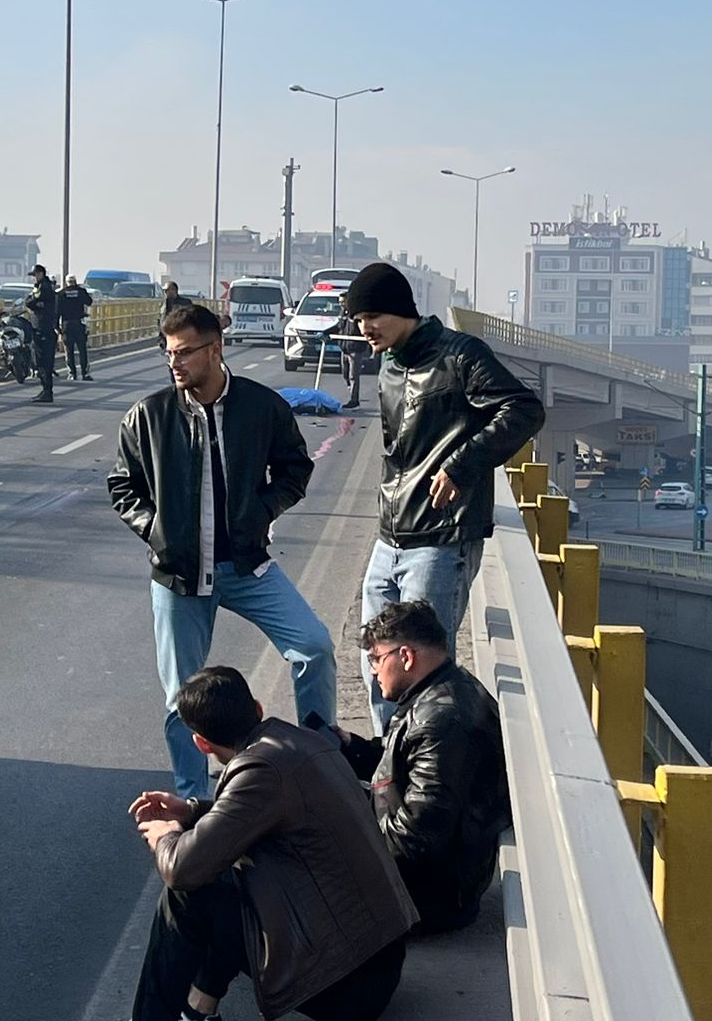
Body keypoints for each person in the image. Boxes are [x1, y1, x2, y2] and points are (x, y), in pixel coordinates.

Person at [108, 304, 338, 801]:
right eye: (170, 353)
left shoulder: (261, 406)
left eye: (185, 352)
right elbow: (123, 486)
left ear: (215, 349)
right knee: (182, 698)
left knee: (314, 647)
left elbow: (295, 470)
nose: (175, 363)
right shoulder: (149, 415)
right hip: (179, 575)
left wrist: (262, 511)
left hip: (247, 566)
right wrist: (157, 532)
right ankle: (195, 800)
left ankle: (322, 769)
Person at [128, 667, 415, 1021]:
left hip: (347, 989)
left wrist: (165, 836)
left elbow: (182, 869)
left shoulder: (260, 771)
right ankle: (200, 1006)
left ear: (201, 743)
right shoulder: (302, 742)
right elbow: (252, 816)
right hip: (382, 960)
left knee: (189, 893)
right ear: (258, 708)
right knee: (225, 872)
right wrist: (189, 811)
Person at [342, 261, 544, 732]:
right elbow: (397, 451)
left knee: (420, 671)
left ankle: (426, 759)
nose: (365, 327)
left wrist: (460, 465)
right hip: (390, 536)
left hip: (442, 537)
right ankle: (387, 758)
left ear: (401, 310)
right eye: (358, 318)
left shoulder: (460, 355)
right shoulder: (389, 367)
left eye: (372, 316)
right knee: (376, 664)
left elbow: (523, 409)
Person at [335, 601, 509, 934]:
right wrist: (351, 748)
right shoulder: (443, 690)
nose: (373, 671)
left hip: (428, 897)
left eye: (376, 659)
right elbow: (404, 765)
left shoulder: (444, 721)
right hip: (437, 878)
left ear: (406, 656)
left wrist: (343, 850)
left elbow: (417, 838)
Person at [26, 264, 59, 403]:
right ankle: (46, 390)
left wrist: (34, 302)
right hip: (43, 328)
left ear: (40, 274)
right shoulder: (42, 286)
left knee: (43, 362)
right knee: (42, 362)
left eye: (34, 275)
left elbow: (30, 302)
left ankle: (47, 392)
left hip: (43, 329)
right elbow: (30, 301)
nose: (33, 278)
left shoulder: (43, 287)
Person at [58, 273, 96, 381]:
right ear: (75, 281)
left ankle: (72, 374)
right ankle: (85, 373)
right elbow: (89, 302)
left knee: (69, 350)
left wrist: (57, 327)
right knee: (82, 349)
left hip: (66, 324)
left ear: (66, 282)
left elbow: (57, 311)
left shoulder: (61, 293)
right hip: (79, 324)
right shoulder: (81, 291)